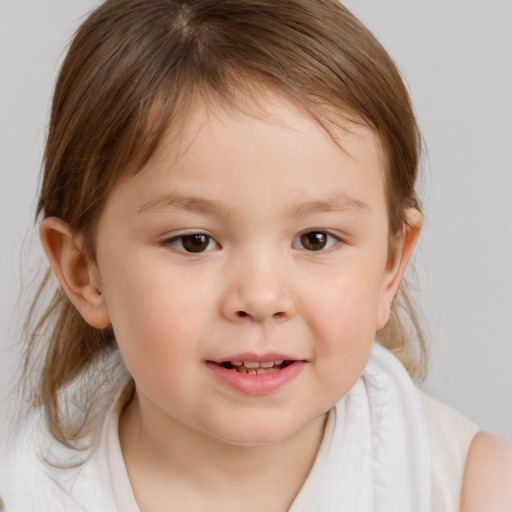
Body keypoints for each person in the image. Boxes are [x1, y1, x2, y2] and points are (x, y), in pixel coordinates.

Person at [1, 0, 511, 510]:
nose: (261, 298)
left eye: (315, 239)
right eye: (194, 241)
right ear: (84, 271)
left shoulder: (473, 490)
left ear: (389, 266)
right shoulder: (24, 492)